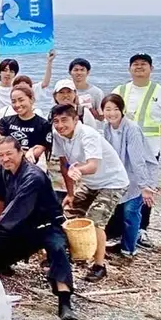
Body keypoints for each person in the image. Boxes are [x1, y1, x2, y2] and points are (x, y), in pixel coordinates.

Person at [0, 137, 77, 320]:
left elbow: (17, 208)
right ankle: (2, 264)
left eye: (9, 154)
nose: (5, 159)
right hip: (23, 226)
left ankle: (65, 302)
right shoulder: (5, 169)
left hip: (47, 225)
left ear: (21, 152)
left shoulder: (33, 176)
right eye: (1, 155)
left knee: (57, 250)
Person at [51, 103, 129, 283]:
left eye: (64, 120)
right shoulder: (57, 134)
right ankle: (73, 254)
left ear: (75, 120)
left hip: (112, 182)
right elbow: (63, 165)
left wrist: (78, 170)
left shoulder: (88, 134)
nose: (60, 125)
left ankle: (99, 266)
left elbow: (92, 166)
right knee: (68, 214)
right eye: (56, 121)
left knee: (95, 221)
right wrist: (70, 193)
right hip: (90, 183)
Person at [113, 53, 161, 248]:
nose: (139, 67)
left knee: (145, 188)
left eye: (143, 64)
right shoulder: (120, 90)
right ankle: (118, 229)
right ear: (129, 68)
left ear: (151, 68)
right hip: (122, 150)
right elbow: (110, 116)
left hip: (149, 150)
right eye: (135, 64)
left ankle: (142, 230)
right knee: (121, 187)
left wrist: (147, 142)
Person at [102, 94, 159, 258]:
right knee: (119, 210)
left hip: (139, 175)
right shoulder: (107, 127)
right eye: (107, 109)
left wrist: (145, 186)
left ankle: (129, 250)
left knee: (131, 212)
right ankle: (123, 243)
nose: (112, 113)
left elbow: (138, 160)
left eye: (116, 109)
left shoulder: (132, 129)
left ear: (122, 110)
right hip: (121, 174)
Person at [0, 85, 52, 164]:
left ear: (32, 100)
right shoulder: (5, 121)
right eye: (13, 101)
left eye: (21, 100)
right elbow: (2, 145)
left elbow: (39, 150)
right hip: (8, 164)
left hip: (31, 166)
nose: (17, 105)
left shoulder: (43, 124)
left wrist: (28, 153)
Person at [68, 58, 104, 124]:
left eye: (82, 70)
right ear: (70, 72)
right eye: (76, 70)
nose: (79, 73)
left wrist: (87, 107)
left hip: (89, 126)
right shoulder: (65, 91)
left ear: (88, 72)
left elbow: (101, 118)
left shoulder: (97, 92)